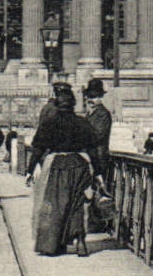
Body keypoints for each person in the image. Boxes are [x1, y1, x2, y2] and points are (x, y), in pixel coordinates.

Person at [27, 84, 101, 257]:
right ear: (73, 104)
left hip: (57, 166)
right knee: (77, 205)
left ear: (57, 104)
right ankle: (80, 240)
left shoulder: (49, 123)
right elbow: (93, 150)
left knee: (55, 205)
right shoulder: (82, 123)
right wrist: (98, 172)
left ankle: (52, 245)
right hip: (79, 165)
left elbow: (38, 149)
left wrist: (30, 170)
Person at [83, 79, 114, 191]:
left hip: (98, 158)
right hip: (89, 157)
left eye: (94, 97)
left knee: (97, 191)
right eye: (89, 96)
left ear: (100, 97)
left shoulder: (103, 114)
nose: (91, 99)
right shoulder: (90, 113)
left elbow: (97, 136)